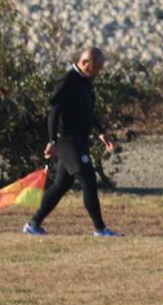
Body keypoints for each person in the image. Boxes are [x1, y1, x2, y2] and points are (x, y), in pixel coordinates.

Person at [24, 47, 121, 237]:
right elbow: (54, 111)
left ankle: (33, 224)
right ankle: (100, 229)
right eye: (96, 69)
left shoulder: (86, 83)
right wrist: (52, 141)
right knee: (88, 181)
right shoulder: (67, 81)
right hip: (67, 141)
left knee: (61, 185)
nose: (97, 73)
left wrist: (100, 132)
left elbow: (87, 112)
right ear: (84, 63)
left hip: (79, 140)